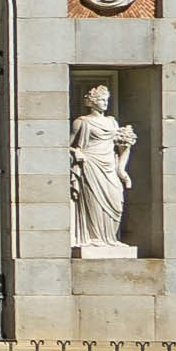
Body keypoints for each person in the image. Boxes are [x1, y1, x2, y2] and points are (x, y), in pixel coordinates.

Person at [71, 82, 137, 253]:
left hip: (109, 165)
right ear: (92, 102)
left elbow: (122, 147)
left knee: (116, 201)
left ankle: (111, 238)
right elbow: (65, 145)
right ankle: (95, 238)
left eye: (106, 99)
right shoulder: (82, 122)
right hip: (91, 165)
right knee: (94, 202)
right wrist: (75, 152)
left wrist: (122, 169)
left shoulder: (112, 122)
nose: (105, 103)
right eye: (101, 100)